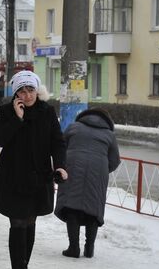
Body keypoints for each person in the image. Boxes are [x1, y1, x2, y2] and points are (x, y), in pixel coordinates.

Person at [0, 70, 67, 269]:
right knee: (17, 223)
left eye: (31, 89)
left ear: (37, 89)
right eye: (22, 91)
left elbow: (58, 143)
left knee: (30, 222)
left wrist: (60, 166)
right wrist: (17, 118)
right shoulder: (6, 112)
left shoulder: (47, 112)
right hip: (12, 177)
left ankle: (24, 263)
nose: (27, 95)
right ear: (16, 94)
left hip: (39, 177)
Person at [54, 108, 120, 259]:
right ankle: (89, 248)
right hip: (98, 171)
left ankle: (73, 247)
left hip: (72, 167)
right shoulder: (109, 135)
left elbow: (60, 148)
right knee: (93, 209)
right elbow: (115, 160)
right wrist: (102, 170)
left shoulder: (73, 127)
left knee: (71, 206)